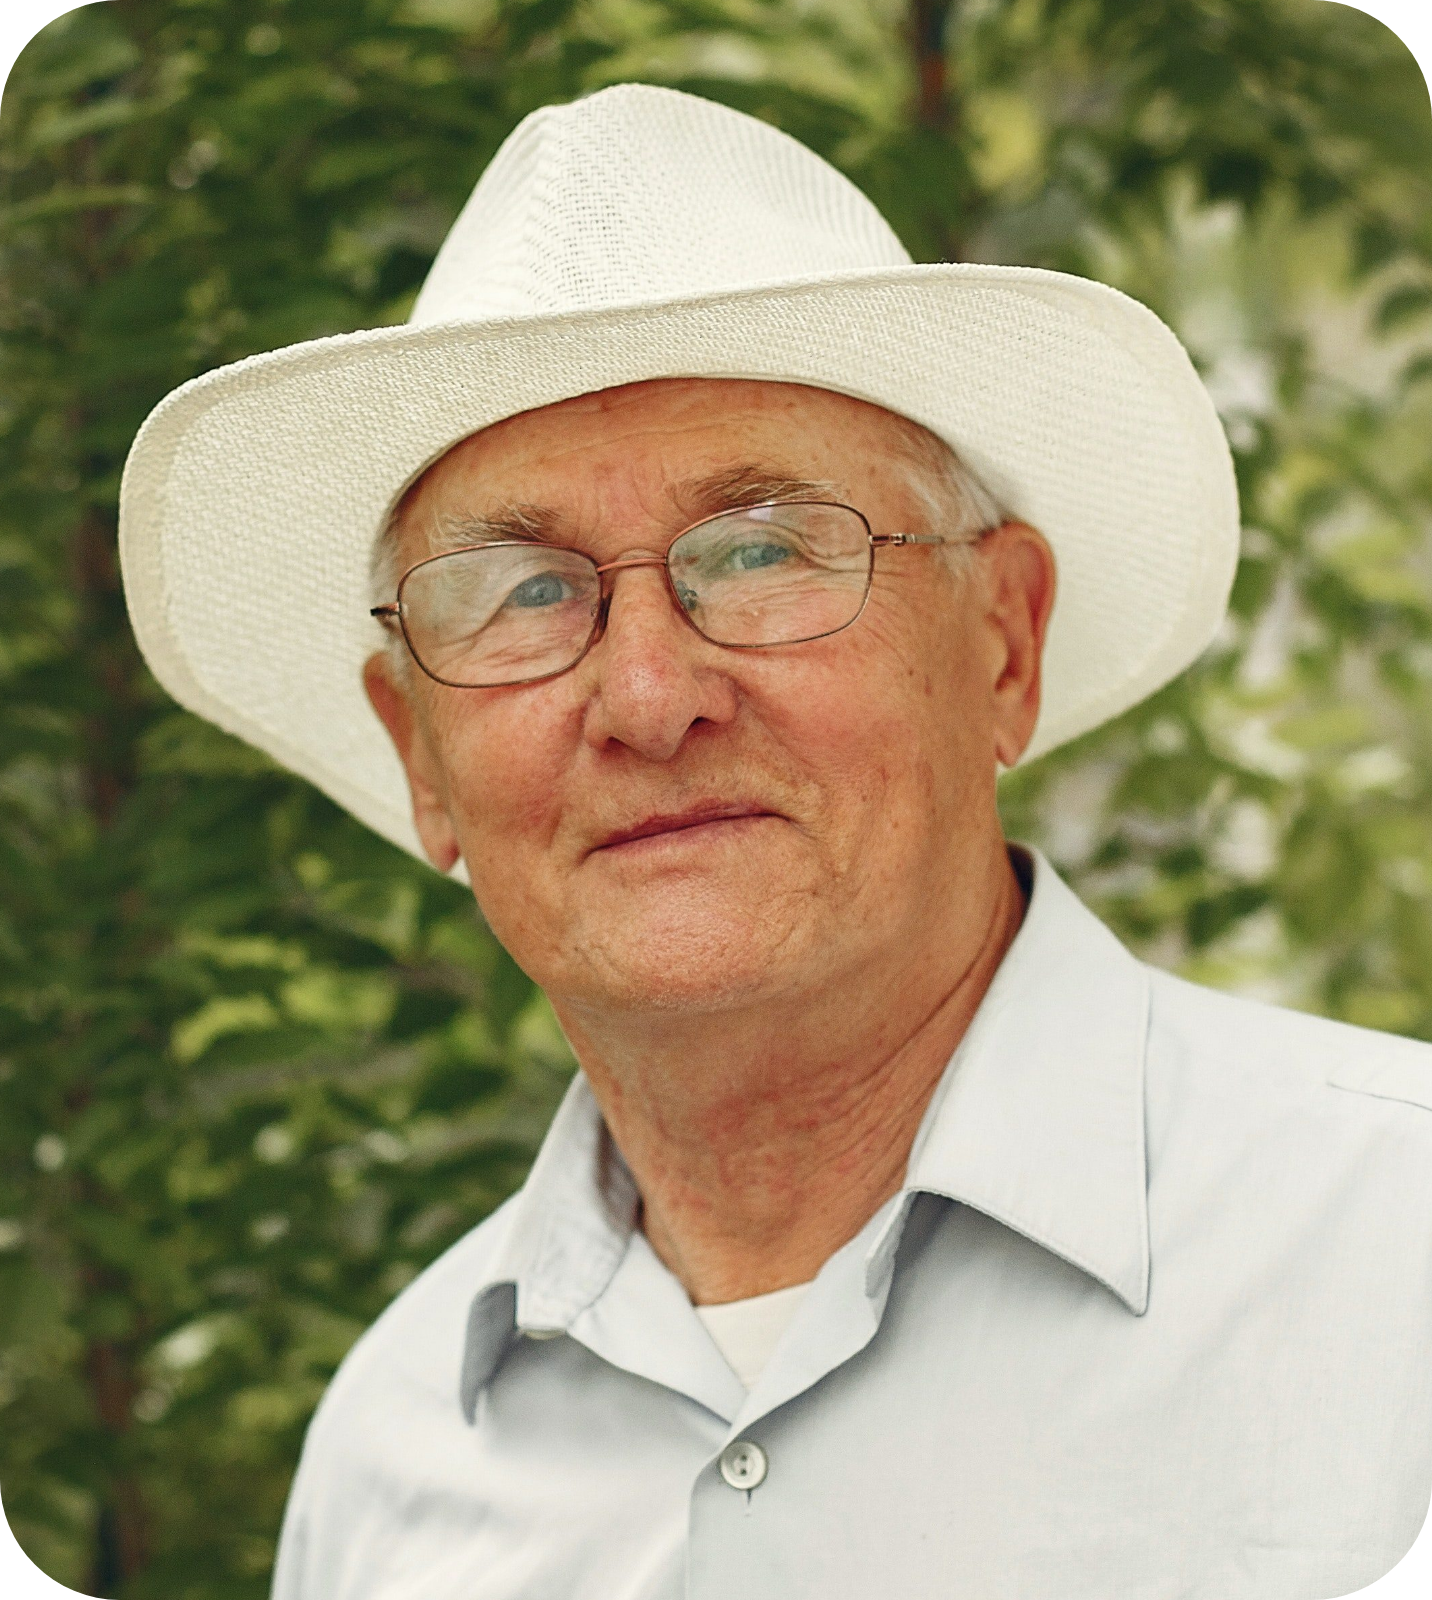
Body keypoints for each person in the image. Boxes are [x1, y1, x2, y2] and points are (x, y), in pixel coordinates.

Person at [119, 83, 1431, 1600]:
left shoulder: (1393, 1254)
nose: (649, 696)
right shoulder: (392, 1455)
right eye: (527, 592)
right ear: (420, 756)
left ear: (1003, 646)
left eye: (759, 552)